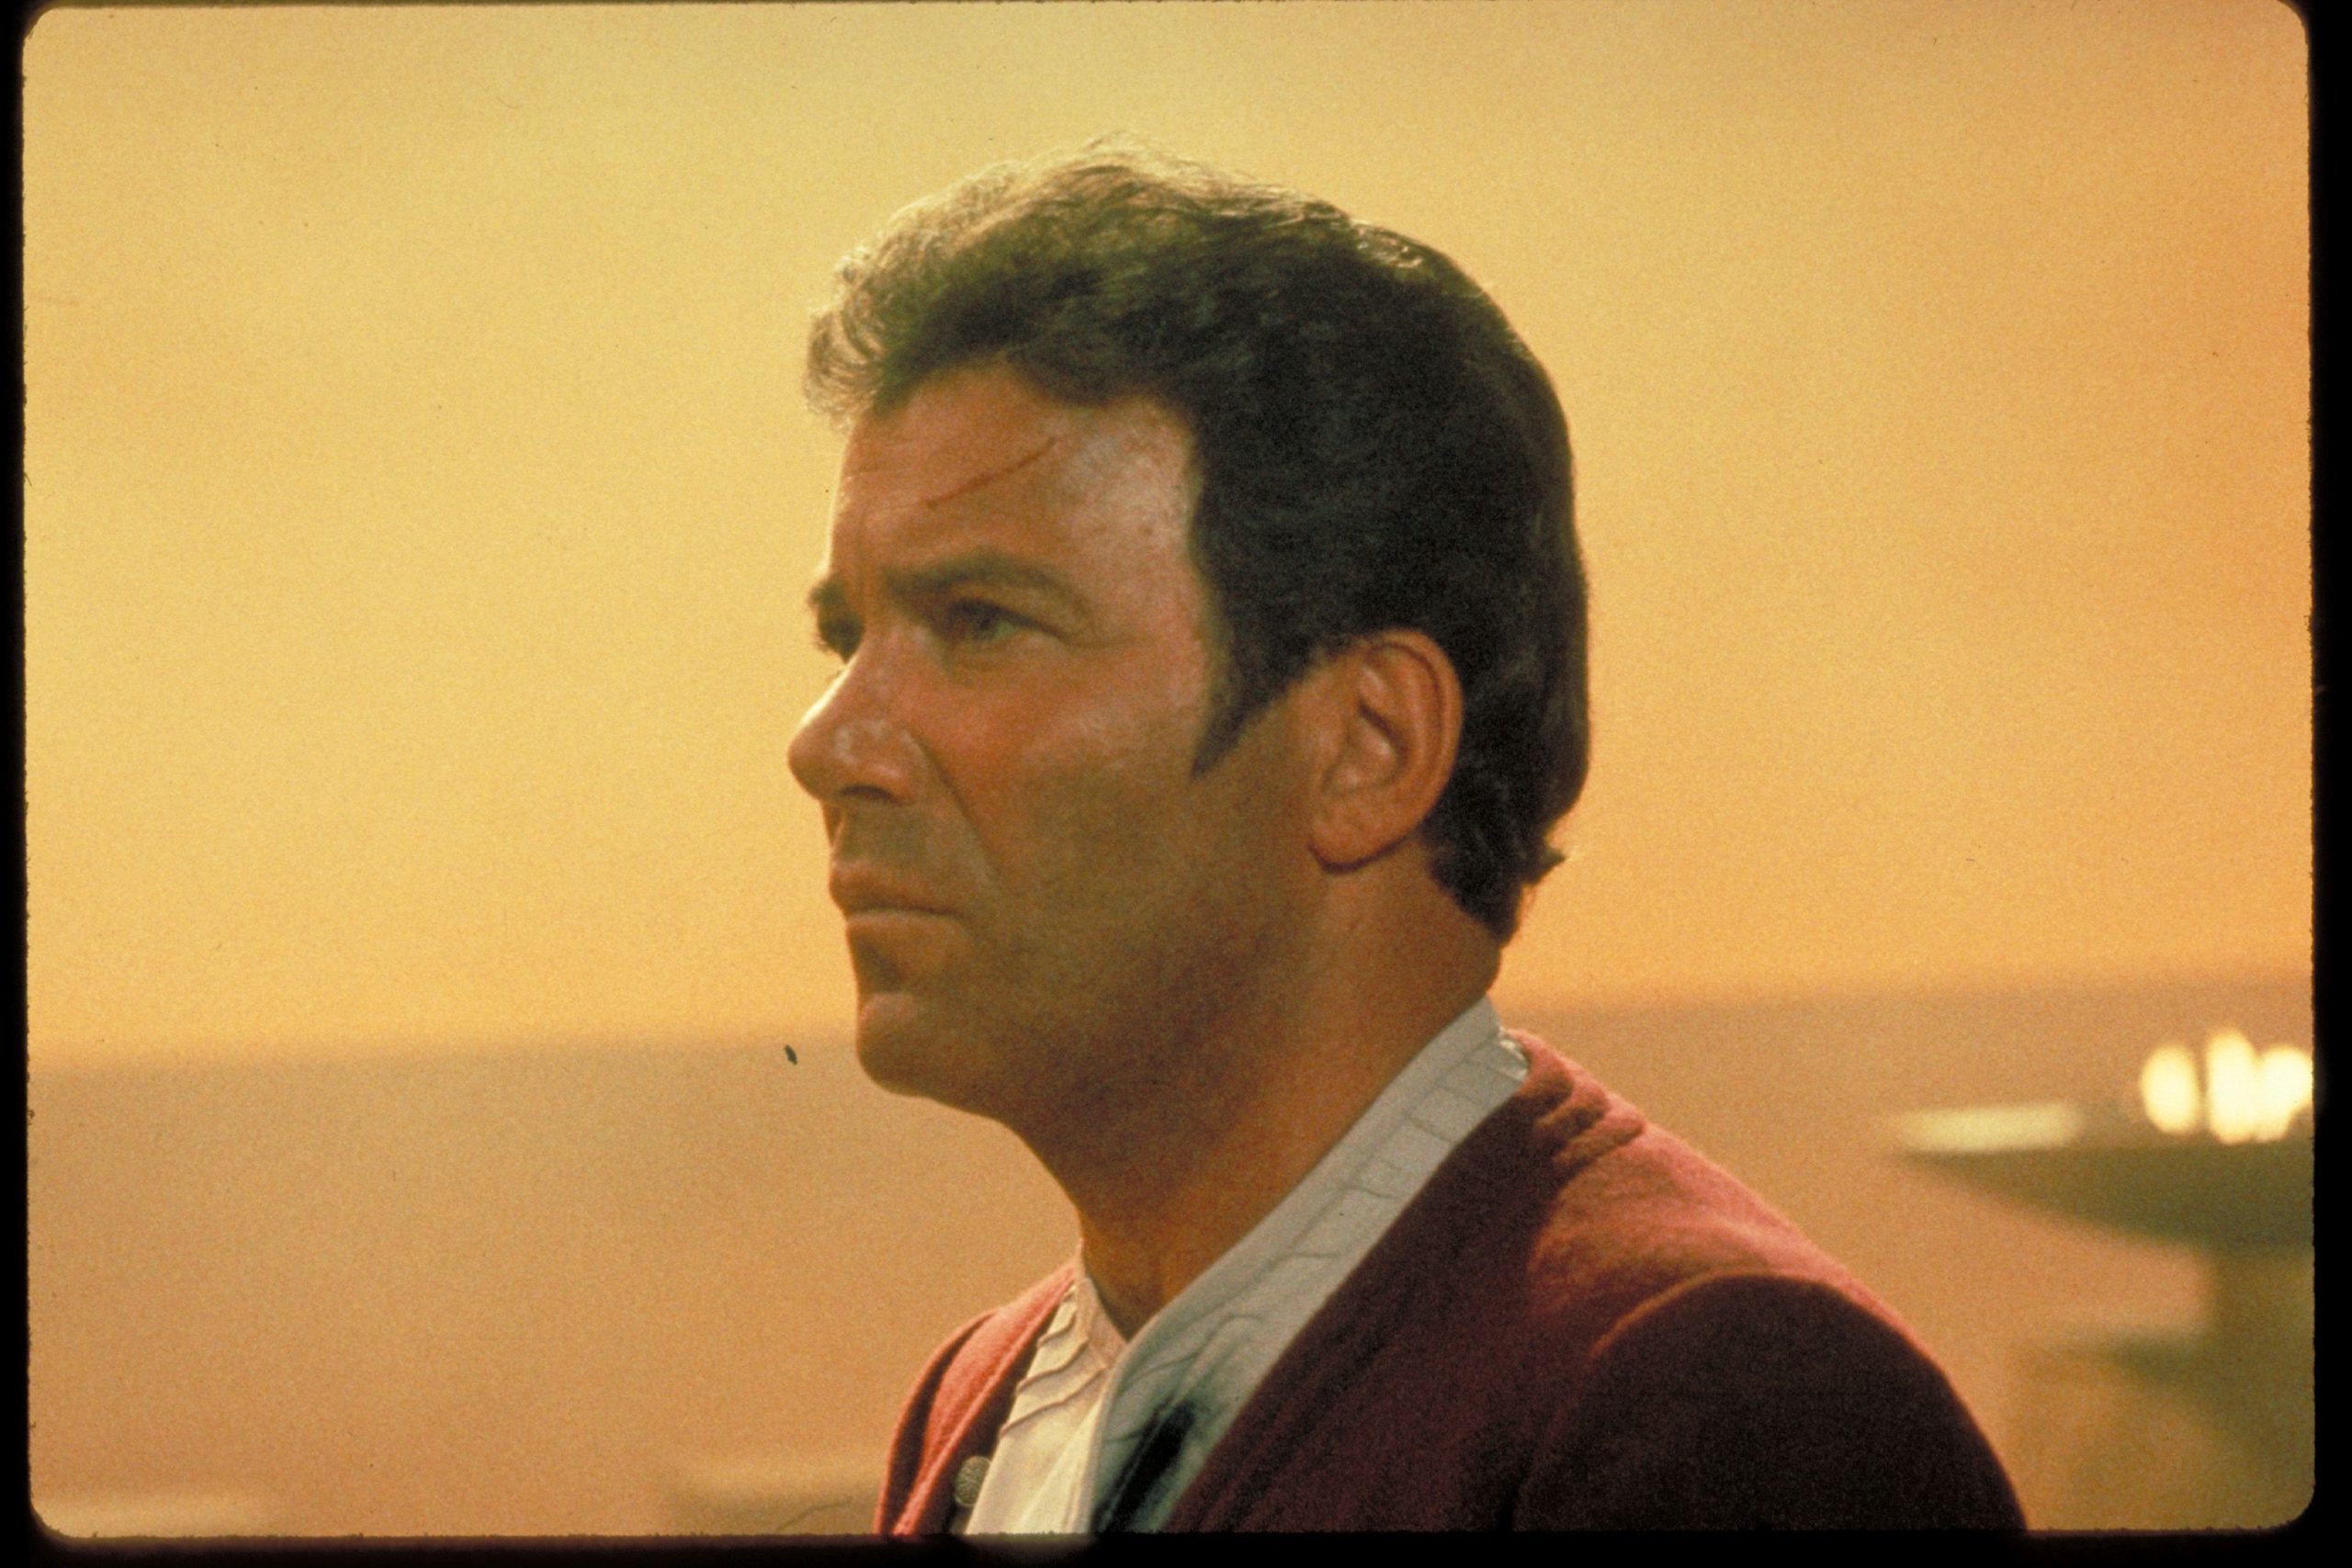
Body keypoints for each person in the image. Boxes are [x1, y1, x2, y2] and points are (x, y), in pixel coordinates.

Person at [786, 139, 2023, 1532]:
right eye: (846, 638)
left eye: (980, 624)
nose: (828, 743)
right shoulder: (984, 1400)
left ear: (1368, 746)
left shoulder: (1717, 1409)